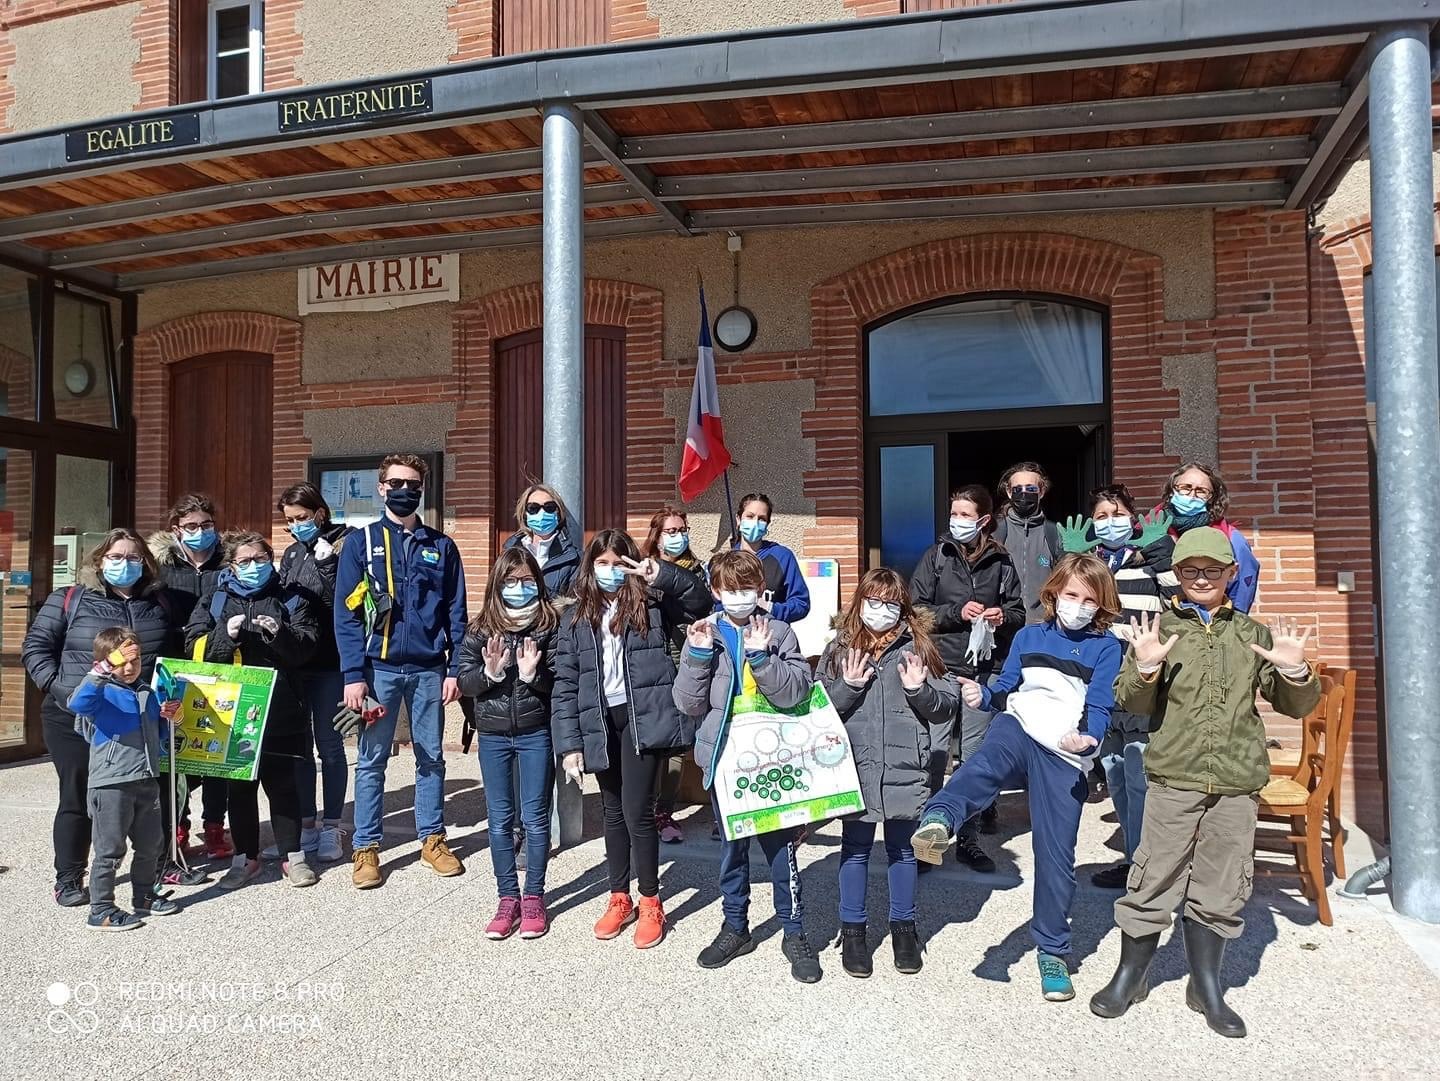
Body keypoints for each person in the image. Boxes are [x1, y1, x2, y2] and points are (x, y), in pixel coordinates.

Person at [1090, 527, 1318, 1039]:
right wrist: (1145, 667)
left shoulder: (1251, 634)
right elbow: (1131, 701)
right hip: (1176, 774)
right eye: (1190, 569)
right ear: (1177, 574)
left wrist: (1295, 671)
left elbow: (1295, 706)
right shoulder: (1160, 628)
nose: (1200, 578)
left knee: (1223, 879)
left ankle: (1206, 984)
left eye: (1212, 570)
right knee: (1153, 875)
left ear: (1230, 574)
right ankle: (1132, 975)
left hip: (1236, 777)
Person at [912, 553, 1124, 1003]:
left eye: (1089, 599)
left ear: (1102, 604)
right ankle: (939, 821)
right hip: (1019, 726)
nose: (1079, 605)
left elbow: (1101, 703)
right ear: (1053, 595)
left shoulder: (1106, 647)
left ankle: (1052, 951)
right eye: (1071, 595)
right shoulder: (1029, 636)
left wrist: (1089, 738)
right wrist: (982, 694)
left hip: (1064, 751)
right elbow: (1007, 685)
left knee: (1056, 857)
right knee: (982, 766)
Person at [552, 529, 711, 950]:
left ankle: (650, 900)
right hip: (600, 723)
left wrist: (660, 574)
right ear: (590, 568)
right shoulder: (575, 617)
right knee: (612, 812)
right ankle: (618, 896)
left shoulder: (652, 603)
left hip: (644, 718)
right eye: (601, 563)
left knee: (638, 811)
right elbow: (566, 683)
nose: (609, 571)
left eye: (617, 563)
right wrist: (569, 745)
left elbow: (701, 601)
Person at [673, 550, 820, 982]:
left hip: (772, 758)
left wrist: (761, 658)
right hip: (725, 759)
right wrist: (698, 657)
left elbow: (796, 692)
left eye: (749, 589)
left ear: (761, 590)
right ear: (716, 592)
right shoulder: (705, 632)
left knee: (781, 848)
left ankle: (794, 932)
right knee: (732, 849)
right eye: (731, 590)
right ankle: (735, 927)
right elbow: (687, 704)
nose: (741, 597)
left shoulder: (779, 632)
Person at [22, 528, 178, 908]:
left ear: (146, 562)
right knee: (78, 796)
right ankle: (70, 876)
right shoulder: (70, 598)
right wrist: (63, 691)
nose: (125, 564)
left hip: (134, 720)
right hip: (74, 718)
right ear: (99, 561)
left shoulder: (160, 603)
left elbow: (171, 658)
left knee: (146, 797)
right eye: (116, 557)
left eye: (133, 557)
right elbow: (36, 648)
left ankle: (149, 878)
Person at [335, 453, 468, 889]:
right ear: (381, 488)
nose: (404, 489)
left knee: (431, 756)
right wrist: (353, 674)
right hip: (378, 672)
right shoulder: (361, 543)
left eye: (412, 483)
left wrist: (455, 669)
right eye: (395, 483)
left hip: (431, 670)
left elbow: (456, 613)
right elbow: (347, 615)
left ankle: (432, 838)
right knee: (372, 759)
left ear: (422, 489)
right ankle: (367, 847)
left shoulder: (441, 545)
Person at [818, 568, 958, 978]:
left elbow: (946, 705)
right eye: (873, 601)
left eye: (890, 604)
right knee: (855, 849)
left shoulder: (918, 648)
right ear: (859, 601)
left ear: (903, 608)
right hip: (856, 767)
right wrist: (847, 685)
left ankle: (904, 929)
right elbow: (818, 707)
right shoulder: (839, 649)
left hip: (905, 769)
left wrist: (920, 690)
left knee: (902, 850)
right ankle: (854, 930)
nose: (880, 611)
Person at [186, 531, 320, 889]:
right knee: (241, 789)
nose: (253, 567)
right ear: (231, 565)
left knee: (283, 786)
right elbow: (193, 646)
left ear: (270, 559)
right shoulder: (215, 599)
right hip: (232, 709)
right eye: (244, 561)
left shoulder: (290, 596)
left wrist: (280, 635)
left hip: (281, 706)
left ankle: (294, 857)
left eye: (260, 559)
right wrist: (223, 637)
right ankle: (246, 858)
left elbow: (308, 648)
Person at [908, 484, 1024, 873]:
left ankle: (968, 839)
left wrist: (1001, 617)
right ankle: (928, 837)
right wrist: (957, 612)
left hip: (984, 671)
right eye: (953, 514)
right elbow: (916, 610)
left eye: (964, 515)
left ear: (984, 520)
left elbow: (1019, 612)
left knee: (974, 759)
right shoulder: (936, 556)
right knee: (935, 754)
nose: (956, 521)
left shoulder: (1002, 562)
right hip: (941, 668)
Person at [457, 548, 561, 940]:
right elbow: (464, 683)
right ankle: (507, 898)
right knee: (500, 820)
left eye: (526, 581)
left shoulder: (551, 624)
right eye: (510, 582)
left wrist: (534, 676)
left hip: (536, 733)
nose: (519, 589)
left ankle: (534, 896)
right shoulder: (481, 628)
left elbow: (560, 683)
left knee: (535, 819)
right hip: (495, 736)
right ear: (498, 585)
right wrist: (488, 673)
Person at [1081, 484, 1178, 889]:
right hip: (1104, 688)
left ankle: (1146, 864)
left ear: (1133, 518)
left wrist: (1161, 555)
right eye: (1101, 516)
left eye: (1117, 514)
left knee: (1140, 776)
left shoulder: (1149, 561)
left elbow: (1180, 601)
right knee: (1116, 773)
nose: (1109, 522)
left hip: (1141, 686)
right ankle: (1132, 856)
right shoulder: (1090, 565)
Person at [67, 628, 181, 930]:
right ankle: (101, 908)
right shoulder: (100, 690)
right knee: (109, 849)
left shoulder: (146, 692)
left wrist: (170, 717)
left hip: (145, 778)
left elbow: (156, 736)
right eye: (122, 661)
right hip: (111, 783)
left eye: (136, 659)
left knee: (151, 844)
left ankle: (144, 895)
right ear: (107, 662)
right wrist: (104, 668)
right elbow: (76, 703)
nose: (130, 668)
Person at [150, 493, 232, 863]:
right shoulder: (159, 568)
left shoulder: (228, 563)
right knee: (175, 752)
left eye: (207, 525)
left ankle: (214, 826)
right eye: (192, 527)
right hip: (173, 666)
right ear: (176, 530)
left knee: (217, 748)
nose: (201, 532)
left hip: (218, 663)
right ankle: (177, 826)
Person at [272, 484, 351, 865]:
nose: (296, 526)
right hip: (296, 662)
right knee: (299, 749)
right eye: (289, 521)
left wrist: (327, 565)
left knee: (330, 746)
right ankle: (305, 826)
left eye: (302, 518)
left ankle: (333, 825)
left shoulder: (344, 543)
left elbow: (350, 601)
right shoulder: (291, 552)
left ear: (320, 512)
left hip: (332, 662)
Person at [643, 503, 708, 844]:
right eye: (671, 531)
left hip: (687, 660)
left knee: (682, 742)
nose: (678, 536)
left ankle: (665, 810)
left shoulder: (698, 571)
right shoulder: (643, 572)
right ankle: (650, 809)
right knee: (658, 741)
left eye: (682, 530)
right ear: (657, 536)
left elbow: (700, 603)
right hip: (654, 665)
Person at [1159, 462, 1260, 612]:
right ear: (1172, 490)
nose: (1192, 495)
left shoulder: (1232, 539)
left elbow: (1241, 595)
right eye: (1185, 487)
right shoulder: (1151, 530)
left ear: (1211, 498)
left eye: (1201, 491)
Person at [993, 462, 1065, 624]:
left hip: (1044, 625)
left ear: (1042, 492)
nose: (1024, 494)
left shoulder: (1055, 534)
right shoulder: (994, 532)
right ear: (1009, 492)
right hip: (1003, 626)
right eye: (1018, 489)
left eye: (1031, 489)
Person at [731, 493, 811, 624]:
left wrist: (772, 608)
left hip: (772, 636)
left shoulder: (783, 556)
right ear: (738, 519)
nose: (755, 523)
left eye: (762, 519)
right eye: (750, 516)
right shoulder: (727, 561)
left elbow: (801, 604)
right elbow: (716, 605)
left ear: (768, 523)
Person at [503, 482, 582, 597]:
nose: (542, 513)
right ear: (524, 514)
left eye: (549, 507)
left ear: (558, 513)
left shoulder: (575, 559)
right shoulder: (508, 553)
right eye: (533, 508)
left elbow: (574, 607)